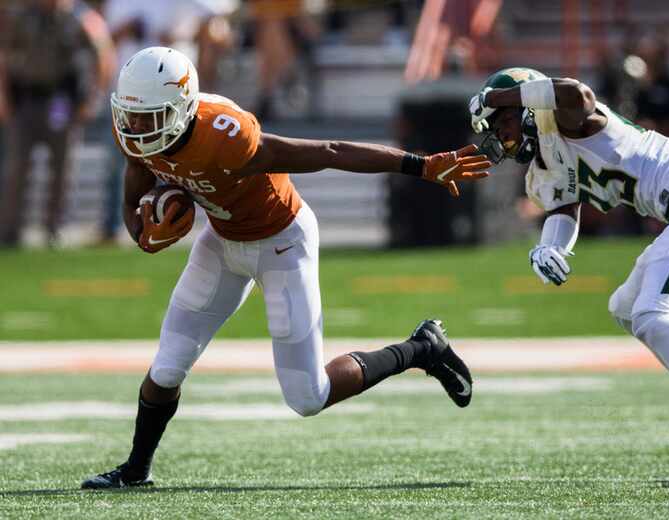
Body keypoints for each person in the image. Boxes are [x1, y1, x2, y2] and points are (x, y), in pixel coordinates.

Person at [81, 47, 488, 489]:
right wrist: (142, 234)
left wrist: (421, 164)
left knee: (307, 397)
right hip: (221, 241)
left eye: (150, 118)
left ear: (181, 108)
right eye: (132, 116)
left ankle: (421, 348)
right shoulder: (135, 132)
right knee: (166, 367)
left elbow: (330, 151)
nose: (137, 128)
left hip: (281, 242)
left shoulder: (228, 136)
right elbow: (130, 196)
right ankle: (136, 470)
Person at [468, 67, 669, 468]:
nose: (502, 135)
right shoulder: (544, 167)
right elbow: (565, 208)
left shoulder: (568, 118)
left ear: (527, 106)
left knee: (651, 314)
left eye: (503, 122)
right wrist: (548, 248)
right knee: (625, 306)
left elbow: (577, 93)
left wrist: (501, 97)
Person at [0, 0, 114, 247]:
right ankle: (10, 230)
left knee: (62, 168)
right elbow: (5, 54)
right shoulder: (22, 15)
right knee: (16, 168)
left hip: (60, 101)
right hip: (25, 99)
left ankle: (54, 229)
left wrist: (93, 98)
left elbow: (103, 53)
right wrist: (3, 96)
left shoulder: (81, 18)